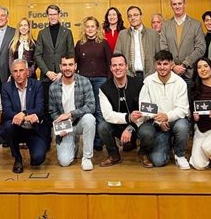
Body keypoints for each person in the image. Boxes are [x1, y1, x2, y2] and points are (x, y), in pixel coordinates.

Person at [136, 50, 190, 169]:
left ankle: (180, 154)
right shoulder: (148, 81)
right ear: (155, 65)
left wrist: (167, 116)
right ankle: (166, 145)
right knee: (158, 161)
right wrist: (158, 121)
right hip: (156, 124)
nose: (162, 67)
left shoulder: (180, 83)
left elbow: (183, 109)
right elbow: (144, 107)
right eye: (159, 64)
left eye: (165, 64)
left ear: (171, 64)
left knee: (183, 126)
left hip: (175, 121)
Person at [0, 59, 49, 173]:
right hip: (16, 127)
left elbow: (40, 109)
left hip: (33, 128)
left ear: (27, 71)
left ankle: (34, 154)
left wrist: (24, 113)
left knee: (38, 159)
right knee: (8, 125)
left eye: (21, 70)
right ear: (11, 73)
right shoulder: (6, 87)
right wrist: (23, 117)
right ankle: (17, 158)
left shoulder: (37, 85)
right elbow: (7, 111)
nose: (18, 74)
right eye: (15, 71)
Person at [49, 55, 96, 170]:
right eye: (64, 65)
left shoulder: (85, 82)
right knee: (64, 162)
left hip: (79, 122)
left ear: (75, 66)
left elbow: (91, 106)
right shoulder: (53, 87)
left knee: (90, 119)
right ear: (60, 67)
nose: (67, 68)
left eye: (70, 65)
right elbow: (52, 111)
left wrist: (70, 114)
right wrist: (60, 127)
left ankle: (87, 158)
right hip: (65, 127)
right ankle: (73, 143)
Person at [97, 53, 144, 166]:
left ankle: (144, 154)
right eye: (114, 65)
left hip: (137, 124)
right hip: (116, 125)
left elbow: (144, 111)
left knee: (148, 131)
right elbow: (107, 115)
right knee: (102, 127)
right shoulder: (104, 88)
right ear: (110, 68)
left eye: (121, 65)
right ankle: (114, 155)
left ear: (127, 66)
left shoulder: (139, 84)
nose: (117, 68)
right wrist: (128, 118)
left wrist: (131, 127)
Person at [75, 16, 111, 151]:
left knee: (99, 111)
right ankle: (86, 142)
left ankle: (99, 142)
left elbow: (109, 63)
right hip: (84, 81)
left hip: (100, 80)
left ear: (97, 28)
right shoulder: (80, 44)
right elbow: (75, 64)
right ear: (84, 28)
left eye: (92, 26)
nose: (90, 29)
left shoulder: (103, 43)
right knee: (85, 110)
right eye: (87, 26)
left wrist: (108, 81)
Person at [160, 0, 206, 92]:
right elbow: (163, 48)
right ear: (171, 6)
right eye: (174, 4)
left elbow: (200, 48)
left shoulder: (196, 25)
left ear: (184, 4)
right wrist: (173, 66)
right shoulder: (165, 25)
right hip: (170, 73)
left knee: (189, 103)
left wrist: (184, 64)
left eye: (179, 3)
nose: (177, 6)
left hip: (189, 73)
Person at [35, 4, 75, 118]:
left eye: (54, 14)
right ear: (47, 15)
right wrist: (47, 72)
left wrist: (62, 72)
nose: (52, 17)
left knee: (63, 107)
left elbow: (71, 54)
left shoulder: (67, 32)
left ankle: (63, 134)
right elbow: (37, 55)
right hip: (46, 78)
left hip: (63, 77)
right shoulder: (42, 33)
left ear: (59, 15)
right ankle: (48, 135)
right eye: (50, 14)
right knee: (48, 109)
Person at [116, 6, 161, 80]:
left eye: (135, 15)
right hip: (129, 76)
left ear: (141, 16)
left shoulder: (153, 34)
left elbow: (159, 56)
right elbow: (117, 55)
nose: (133, 18)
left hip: (150, 76)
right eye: (130, 16)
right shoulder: (122, 34)